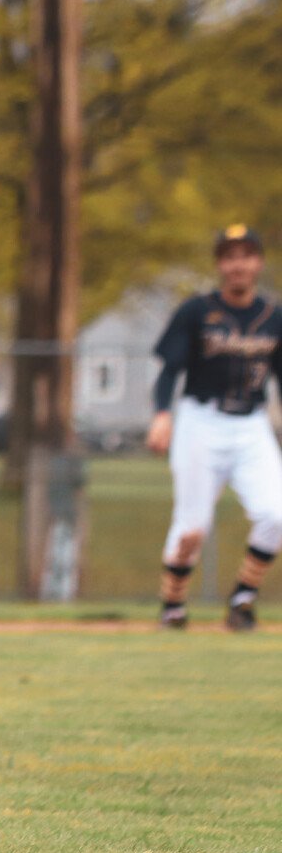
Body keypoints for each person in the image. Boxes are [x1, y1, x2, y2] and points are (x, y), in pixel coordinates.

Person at [146, 225, 282, 632]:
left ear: (258, 262)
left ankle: (242, 600)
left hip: (251, 423)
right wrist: (161, 414)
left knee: (276, 514)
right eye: (230, 255)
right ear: (220, 263)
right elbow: (170, 369)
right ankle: (172, 605)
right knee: (192, 528)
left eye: (246, 254)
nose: (238, 263)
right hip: (201, 421)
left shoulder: (274, 316)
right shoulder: (197, 311)